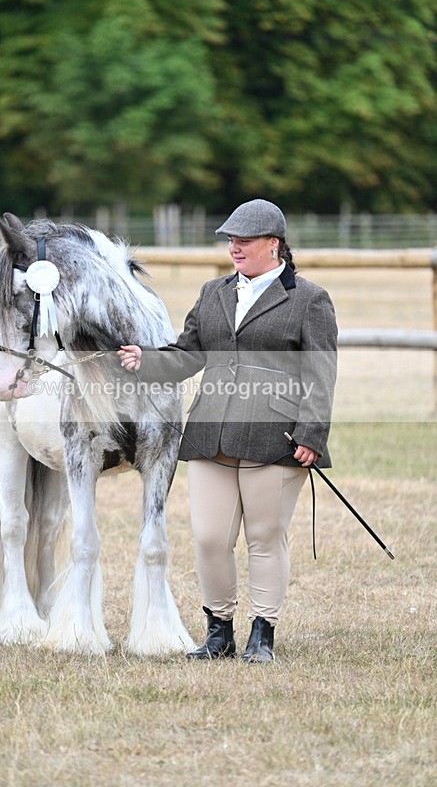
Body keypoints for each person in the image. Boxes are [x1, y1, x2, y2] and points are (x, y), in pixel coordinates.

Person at [118, 199, 337, 663]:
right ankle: (219, 632)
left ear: (273, 245)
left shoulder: (309, 300)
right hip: (210, 434)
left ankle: (262, 633)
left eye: (244, 240)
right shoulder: (213, 292)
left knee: (264, 536)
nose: (234, 247)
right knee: (210, 537)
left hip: (275, 438)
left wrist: (311, 434)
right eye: (230, 240)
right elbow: (189, 353)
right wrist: (147, 360)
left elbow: (321, 372)